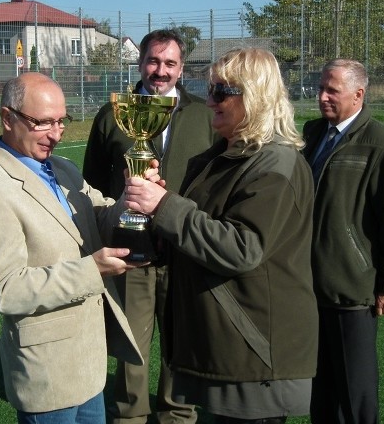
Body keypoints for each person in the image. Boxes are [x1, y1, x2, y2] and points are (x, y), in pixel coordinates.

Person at [124, 48, 318, 423]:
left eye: (221, 92)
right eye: (209, 88)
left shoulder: (275, 163)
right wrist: (152, 210)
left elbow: (243, 248)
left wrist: (164, 205)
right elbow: (201, 228)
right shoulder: (223, 156)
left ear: (255, 95)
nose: (209, 99)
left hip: (253, 351)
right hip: (225, 345)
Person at [0, 72, 147, 424]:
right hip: (46, 375)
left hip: (89, 364)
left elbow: (101, 217)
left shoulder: (63, 169)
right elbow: (6, 289)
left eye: (62, 121)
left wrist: (130, 199)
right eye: (43, 122)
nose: (57, 133)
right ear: (7, 118)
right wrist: (93, 270)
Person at [83, 29, 217, 423]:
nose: (160, 71)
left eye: (170, 63)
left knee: (181, 342)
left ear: (182, 67)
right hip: (130, 253)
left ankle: (177, 414)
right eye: (153, 61)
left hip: (185, 248)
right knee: (130, 347)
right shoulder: (113, 114)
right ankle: (129, 416)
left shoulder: (203, 114)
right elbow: (90, 182)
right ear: (140, 62)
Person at [302, 58, 384, 424]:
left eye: (332, 90)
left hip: (352, 289)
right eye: (320, 88)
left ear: (359, 94)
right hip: (308, 284)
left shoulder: (382, 144)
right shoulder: (312, 132)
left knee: (356, 391)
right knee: (320, 388)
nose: (322, 97)